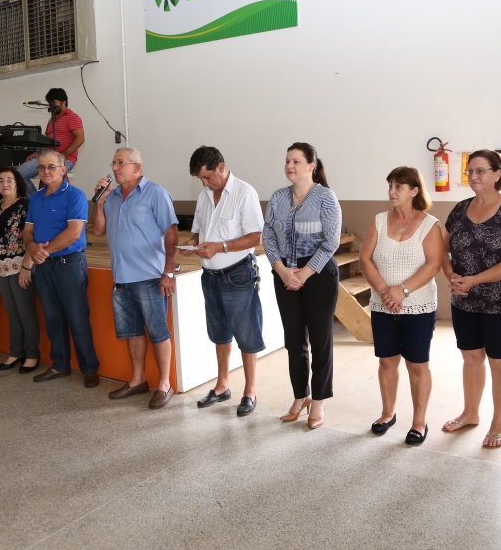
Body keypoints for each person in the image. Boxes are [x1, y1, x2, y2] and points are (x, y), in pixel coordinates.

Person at [442, 150, 501, 448]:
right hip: (463, 300)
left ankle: (499, 422)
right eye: (470, 171)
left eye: (481, 170)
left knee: (499, 361)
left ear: (497, 174)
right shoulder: (459, 209)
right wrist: (451, 276)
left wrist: (474, 280)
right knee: (471, 358)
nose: (474, 176)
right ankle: (470, 413)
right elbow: (442, 250)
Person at [359, 167, 442, 445]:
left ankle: (419, 422)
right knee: (387, 361)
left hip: (418, 307)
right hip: (383, 306)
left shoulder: (430, 224)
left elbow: (434, 265)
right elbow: (365, 260)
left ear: (414, 190)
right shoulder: (379, 221)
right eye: (390, 186)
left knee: (417, 365)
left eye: (398, 187)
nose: (392, 191)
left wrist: (402, 290)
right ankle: (387, 413)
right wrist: (385, 291)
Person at [181, 146, 265, 417]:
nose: (205, 184)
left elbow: (256, 236)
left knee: (246, 334)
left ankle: (250, 391)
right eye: (201, 179)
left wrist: (220, 247)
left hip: (238, 274)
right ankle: (222, 386)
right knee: (219, 333)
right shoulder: (204, 196)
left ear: (221, 166)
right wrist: (192, 243)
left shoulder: (244, 192)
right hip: (210, 276)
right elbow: (199, 232)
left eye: (208, 177)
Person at [92, 148, 179, 408]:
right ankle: (138, 380)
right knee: (132, 332)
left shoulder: (156, 193)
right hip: (121, 279)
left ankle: (164, 385)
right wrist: (99, 202)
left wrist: (169, 272)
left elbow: (171, 234)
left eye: (121, 163)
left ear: (137, 167)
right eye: (114, 163)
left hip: (150, 277)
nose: (115, 168)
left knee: (158, 332)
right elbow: (98, 230)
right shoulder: (111, 197)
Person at [263, 143, 342, 429]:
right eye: (287, 161)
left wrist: (303, 274)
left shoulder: (325, 197)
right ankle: (300, 396)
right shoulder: (278, 197)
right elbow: (268, 236)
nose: (289, 166)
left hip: (317, 274)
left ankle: (319, 400)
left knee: (320, 340)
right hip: (284, 272)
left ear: (311, 166)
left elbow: (331, 242)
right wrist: (282, 271)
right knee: (294, 340)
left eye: (296, 161)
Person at [24, 150, 100, 388]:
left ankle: (89, 368)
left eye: (51, 167)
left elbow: (73, 233)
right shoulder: (36, 198)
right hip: (43, 266)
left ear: (63, 169)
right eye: (41, 167)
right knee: (53, 318)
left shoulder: (75, 195)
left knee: (77, 318)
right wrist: (31, 247)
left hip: (69, 265)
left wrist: (42, 251)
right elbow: (27, 231)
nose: (46, 171)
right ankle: (60, 365)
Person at [0, 168, 40, 374]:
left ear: (17, 183)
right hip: (0, 269)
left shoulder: (26, 206)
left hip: (20, 267)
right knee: (12, 312)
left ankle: (32, 353)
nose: (5, 184)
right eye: (1, 181)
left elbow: (33, 238)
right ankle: (16, 351)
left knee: (25, 312)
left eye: (10, 180)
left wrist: (27, 266)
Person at [17, 88, 84, 197]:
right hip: (47, 157)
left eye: (54, 103)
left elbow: (80, 139)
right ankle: (37, 200)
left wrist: (63, 155)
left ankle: (41, 201)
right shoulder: (51, 120)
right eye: (50, 103)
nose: (51, 106)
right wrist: (40, 152)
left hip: (66, 159)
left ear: (64, 102)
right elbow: (48, 142)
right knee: (18, 174)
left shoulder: (72, 117)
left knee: (49, 177)